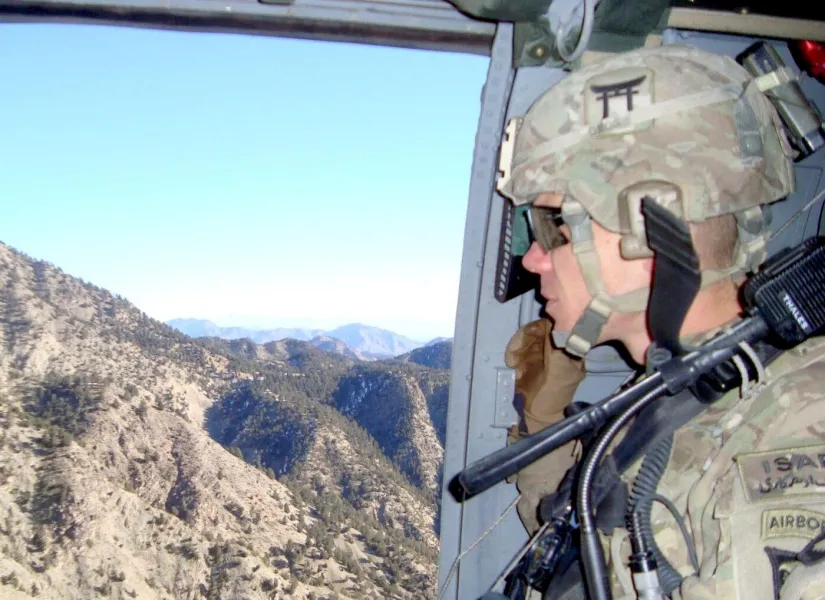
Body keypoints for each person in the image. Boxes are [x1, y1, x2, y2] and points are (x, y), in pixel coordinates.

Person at [496, 44, 825, 599]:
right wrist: (544, 419)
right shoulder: (673, 394)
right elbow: (580, 547)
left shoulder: (794, 428)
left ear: (648, 235)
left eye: (556, 228)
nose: (533, 259)